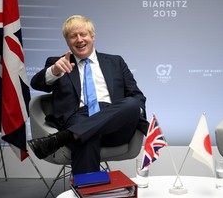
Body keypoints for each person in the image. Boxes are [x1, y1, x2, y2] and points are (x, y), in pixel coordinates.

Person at [28, 15, 149, 175]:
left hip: (116, 128)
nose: (79, 40)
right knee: (87, 136)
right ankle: (88, 191)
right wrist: (54, 71)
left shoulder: (115, 62)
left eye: (83, 34)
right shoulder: (58, 63)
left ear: (92, 36)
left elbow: (137, 96)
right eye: (73, 36)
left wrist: (132, 111)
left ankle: (62, 138)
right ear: (67, 41)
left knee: (131, 104)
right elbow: (37, 84)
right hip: (78, 121)